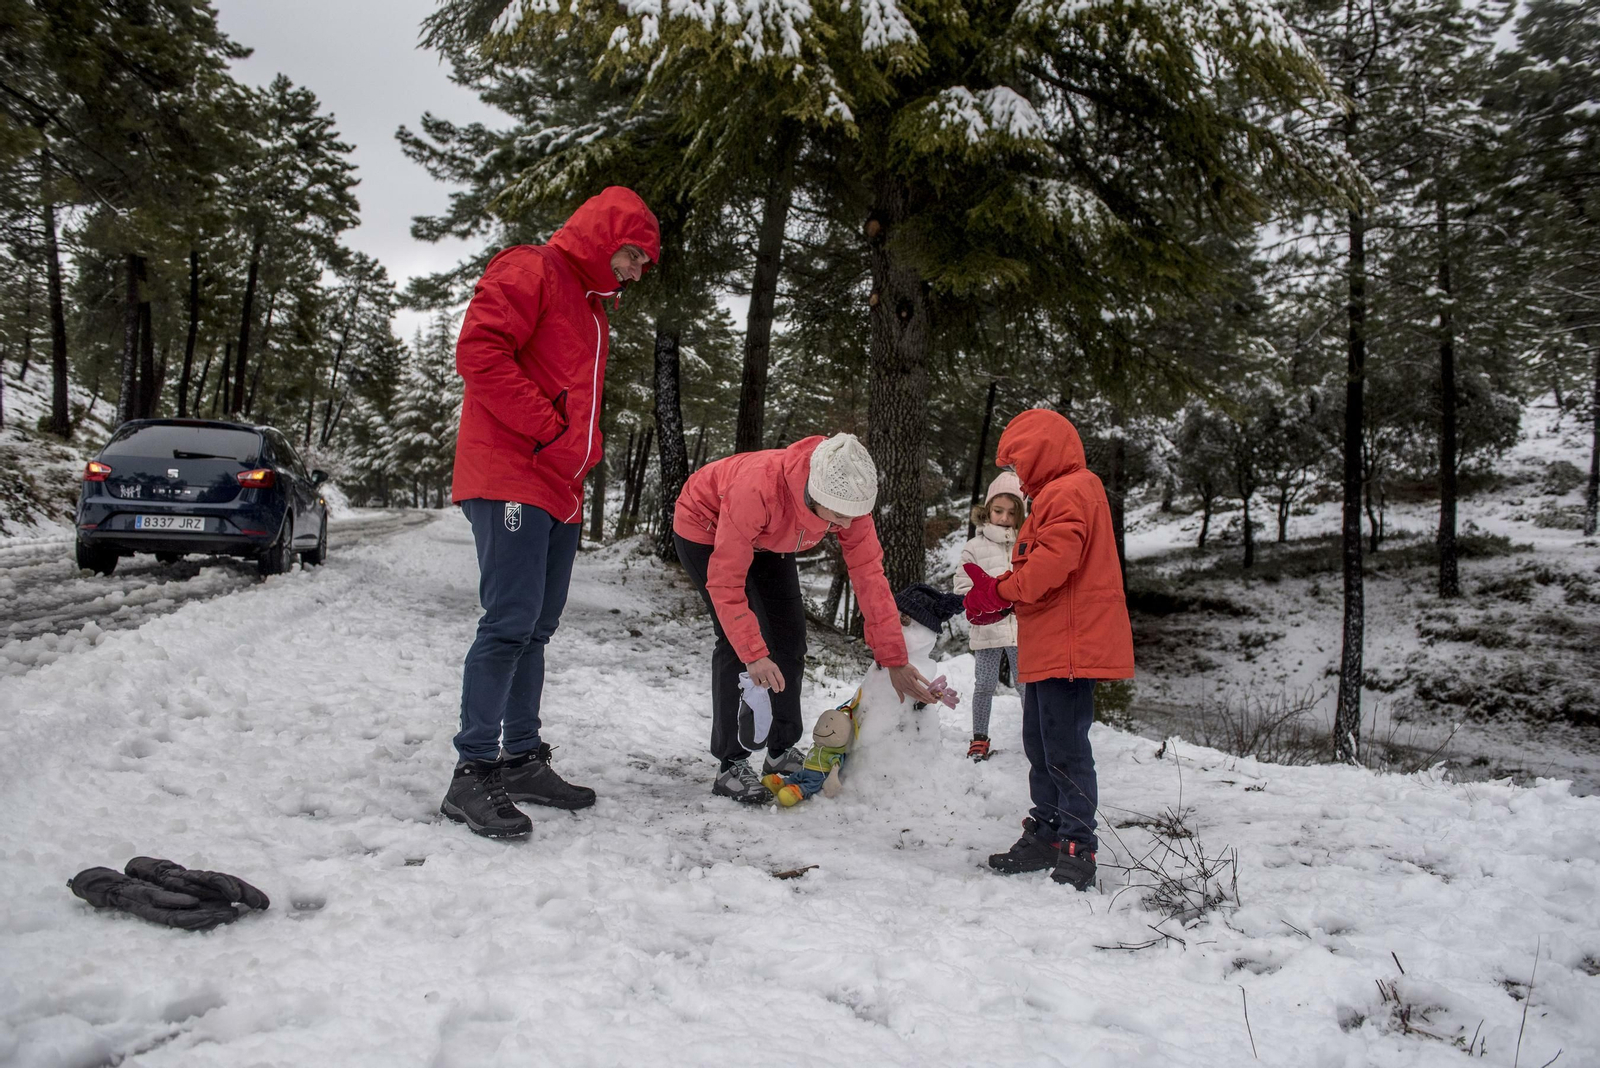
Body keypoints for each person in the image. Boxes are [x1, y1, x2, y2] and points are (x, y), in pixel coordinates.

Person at [442, 187, 661, 840]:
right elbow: (478, 354)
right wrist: (546, 429)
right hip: (511, 471)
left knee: (536, 627)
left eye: (645, 263)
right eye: (632, 255)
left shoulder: (593, 308)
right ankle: (472, 772)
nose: (637, 271)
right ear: (602, 238)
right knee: (508, 622)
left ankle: (521, 757)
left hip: (557, 486)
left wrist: (572, 452)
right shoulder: (530, 268)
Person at [673, 432, 939, 803]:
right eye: (839, 518)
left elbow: (869, 575)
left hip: (771, 536)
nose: (846, 526)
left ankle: (780, 751)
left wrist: (893, 657)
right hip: (707, 526)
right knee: (740, 648)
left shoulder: (849, 498)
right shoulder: (759, 488)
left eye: (853, 517)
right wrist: (753, 652)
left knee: (790, 640)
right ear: (814, 496)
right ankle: (731, 764)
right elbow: (726, 582)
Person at [960, 409, 1135, 890]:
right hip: (1049, 640)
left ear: (1040, 452)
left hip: (1071, 644)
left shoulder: (1069, 490)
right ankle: (1048, 833)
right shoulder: (1059, 494)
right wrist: (1001, 590)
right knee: (1040, 744)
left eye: (1019, 464)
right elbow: (1040, 567)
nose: (1016, 477)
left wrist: (1002, 592)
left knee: (1065, 748)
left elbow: (1055, 562)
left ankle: (1079, 843)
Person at [951, 472, 1026, 761]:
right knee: (984, 684)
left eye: (1012, 512)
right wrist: (982, 598)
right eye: (998, 510)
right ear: (987, 509)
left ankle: (1035, 734)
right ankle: (979, 738)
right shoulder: (974, 546)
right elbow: (962, 587)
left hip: (1021, 628)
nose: (1004, 518)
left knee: (1025, 684)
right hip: (987, 628)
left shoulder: (1027, 543)